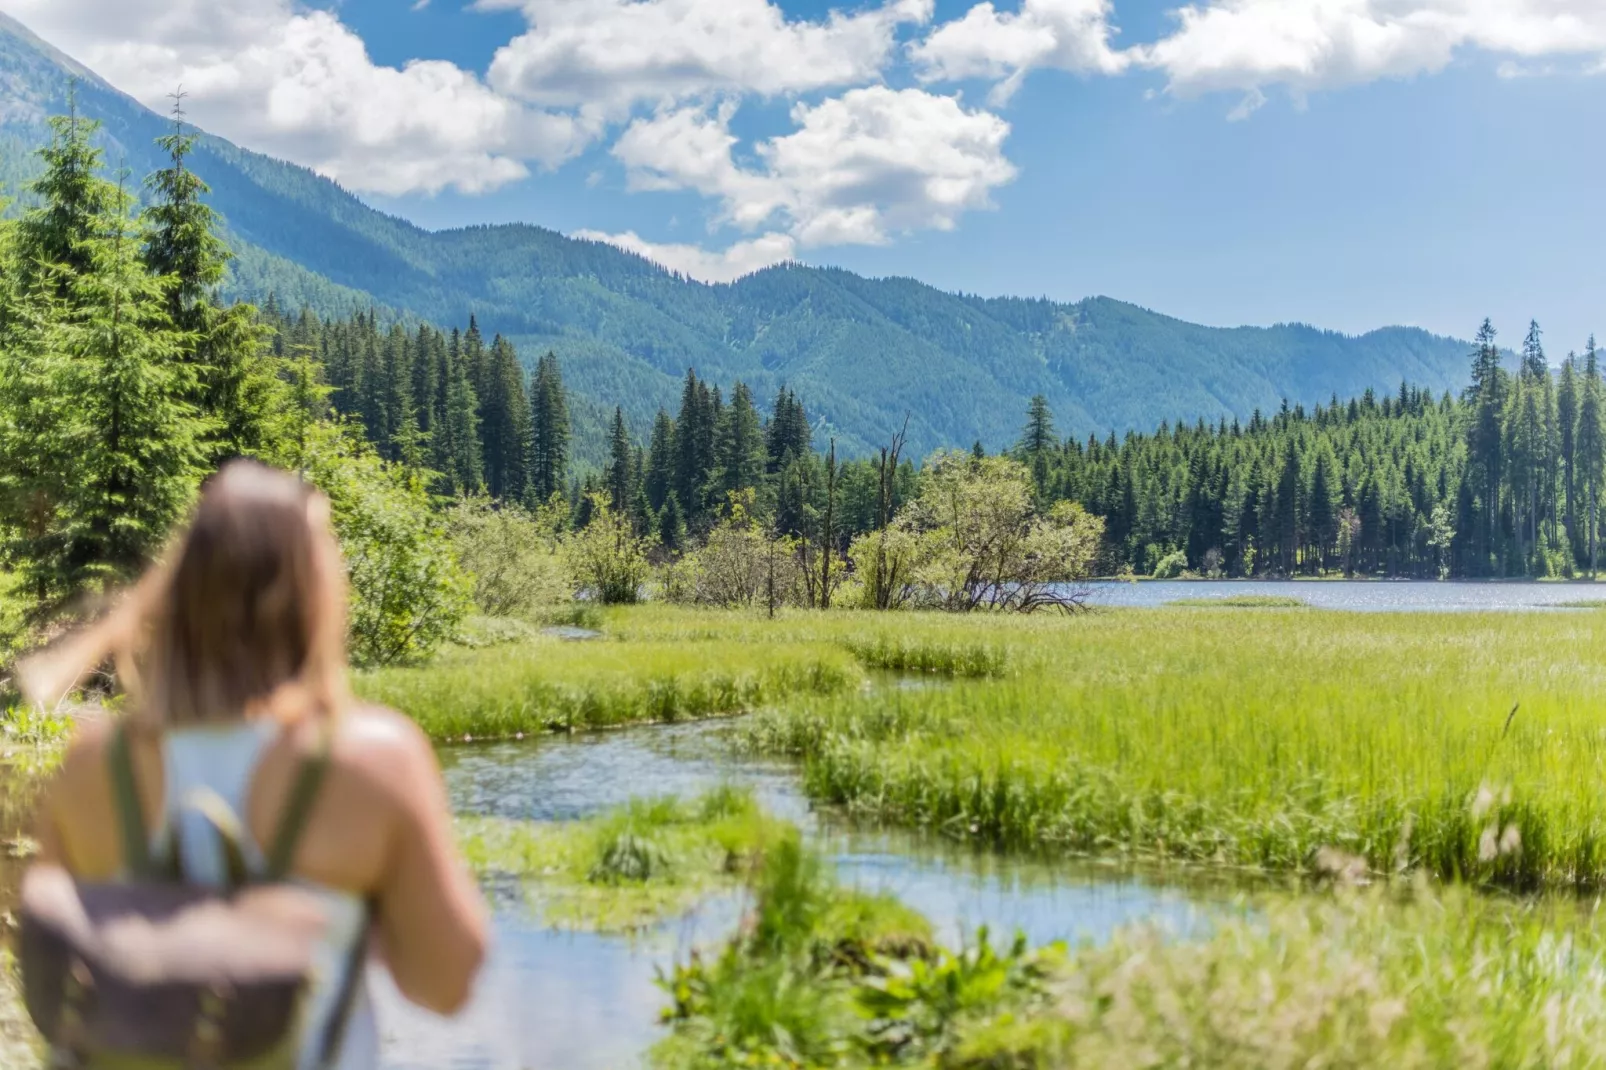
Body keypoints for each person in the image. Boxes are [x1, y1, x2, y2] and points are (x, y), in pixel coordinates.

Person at [21, 460, 488, 1068]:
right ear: (314, 600)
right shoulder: (372, 760)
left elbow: (48, 954)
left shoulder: (93, 765)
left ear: (182, 593)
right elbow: (447, 984)